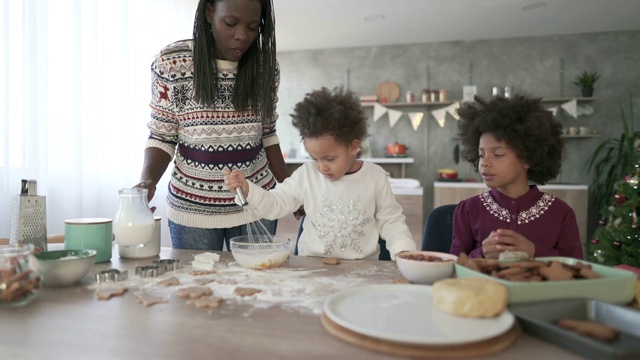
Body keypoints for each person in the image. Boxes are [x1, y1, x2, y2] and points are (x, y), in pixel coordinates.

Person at [134, 0, 295, 251]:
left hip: (257, 201)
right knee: (199, 286)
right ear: (210, 13)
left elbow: (267, 134)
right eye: (230, 23)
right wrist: (147, 180)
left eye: (254, 27)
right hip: (193, 208)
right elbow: (162, 136)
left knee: (253, 286)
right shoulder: (172, 63)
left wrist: (291, 189)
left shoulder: (265, 68)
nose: (242, 35)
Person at [224, 86, 417, 260]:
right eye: (314, 158)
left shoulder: (375, 176)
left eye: (330, 159)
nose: (321, 167)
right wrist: (248, 189)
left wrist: (403, 251)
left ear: (353, 147)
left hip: (362, 268)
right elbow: (276, 203)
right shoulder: (307, 175)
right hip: (312, 267)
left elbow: (391, 220)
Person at [449, 95, 584, 259]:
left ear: (526, 159)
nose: (485, 163)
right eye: (481, 155)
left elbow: (576, 268)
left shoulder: (561, 213)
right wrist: (481, 253)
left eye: (497, 154)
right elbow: (454, 266)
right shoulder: (468, 210)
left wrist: (535, 251)